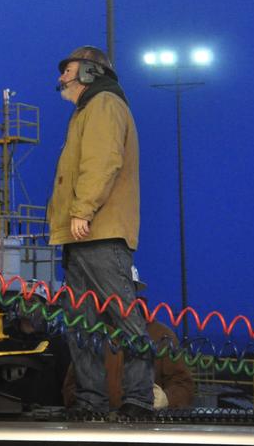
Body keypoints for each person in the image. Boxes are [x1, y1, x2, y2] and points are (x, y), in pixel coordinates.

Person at [47, 45, 155, 418]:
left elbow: (102, 161)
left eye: (68, 70)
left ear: (90, 72)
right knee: (82, 324)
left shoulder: (104, 104)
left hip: (99, 233)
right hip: (82, 236)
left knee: (123, 317)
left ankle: (139, 399)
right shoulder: (86, 111)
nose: (61, 77)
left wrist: (82, 210)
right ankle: (90, 400)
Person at [62, 267, 195, 411]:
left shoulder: (161, 335)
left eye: (123, 288)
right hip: (101, 423)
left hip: (144, 422)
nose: (117, 294)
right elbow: (70, 387)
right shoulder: (92, 334)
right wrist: (88, 404)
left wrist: (167, 398)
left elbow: (184, 385)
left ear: (135, 292)